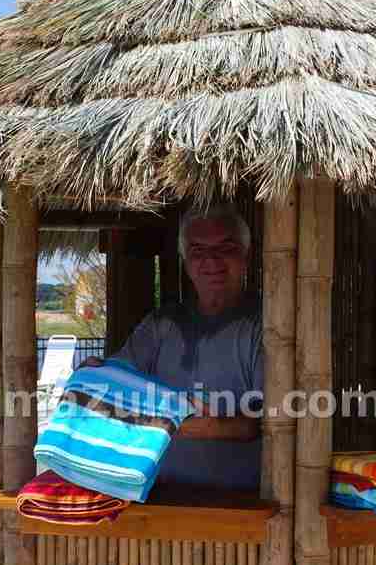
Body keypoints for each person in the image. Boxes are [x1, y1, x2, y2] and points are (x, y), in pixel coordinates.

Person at [85, 202, 263, 491]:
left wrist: (184, 421)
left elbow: (259, 424)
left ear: (246, 255)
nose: (212, 261)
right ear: (185, 261)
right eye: (198, 251)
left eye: (225, 248)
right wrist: (96, 375)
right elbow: (117, 385)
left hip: (244, 506)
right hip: (159, 498)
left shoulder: (267, 327)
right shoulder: (162, 324)